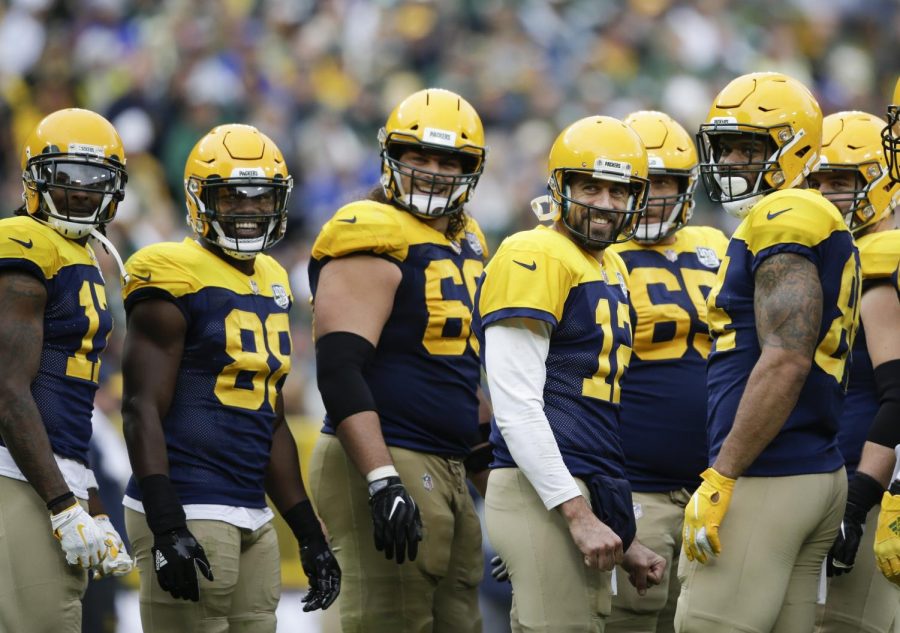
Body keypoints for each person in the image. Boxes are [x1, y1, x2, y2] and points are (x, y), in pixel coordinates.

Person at [120, 123, 340, 633]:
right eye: (231, 197)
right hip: (188, 500)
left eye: (261, 199)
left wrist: (307, 532)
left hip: (251, 510)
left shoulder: (272, 277)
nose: (248, 210)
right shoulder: (170, 268)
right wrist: (166, 521)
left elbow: (271, 417)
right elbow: (140, 407)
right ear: (199, 199)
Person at [675, 72, 861, 633]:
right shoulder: (797, 217)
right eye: (726, 147)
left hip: (770, 472)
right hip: (808, 466)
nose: (731, 160)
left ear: (795, 146)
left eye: (749, 147)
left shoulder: (787, 217)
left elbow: (786, 359)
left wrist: (723, 475)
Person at [306, 88, 492, 633]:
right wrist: (382, 478)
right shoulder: (370, 230)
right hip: (389, 451)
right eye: (420, 158)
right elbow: (339, 370)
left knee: (460, 619)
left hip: (449, 460)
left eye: (447, 161)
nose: (433, 172)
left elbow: (457, 370)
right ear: (391, 158)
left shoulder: (467, 240)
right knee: (392, 619)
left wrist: (490, 479)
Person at [478, 115, 666, 632]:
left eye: (618, 190)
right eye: (590, 186)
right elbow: (516, 408)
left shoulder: (611, 266)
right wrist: (578, 514)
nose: (605, 203)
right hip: (545, 488)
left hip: (584, 484)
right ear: (560, 187)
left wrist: (620, 537)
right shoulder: (532, 252)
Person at [0, 108, 133, 633]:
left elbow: (67, 400)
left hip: (51, 472)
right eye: (66, 175)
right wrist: (61, 503)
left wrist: (90, 502)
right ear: (36, 176)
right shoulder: (24, 242)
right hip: (17, 473)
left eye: (94, 178)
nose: (80, 191)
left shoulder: (81, 255)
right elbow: (8, 389)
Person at [605, 110, 729, 633]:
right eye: (645, 182)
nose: (655, 196)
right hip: (636, 487)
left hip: (712, 490)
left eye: (668, 183)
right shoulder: (594, 253)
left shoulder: (717, 245)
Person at [805, 110, 900, 633]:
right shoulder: (837, 256)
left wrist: (859, 502)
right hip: (824, 478)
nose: (826, 195)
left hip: (863, 485)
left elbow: (898, 394)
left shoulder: (880, 255)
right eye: (817, 182)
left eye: (841, 181)